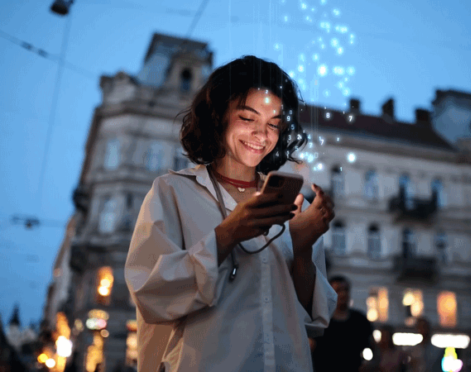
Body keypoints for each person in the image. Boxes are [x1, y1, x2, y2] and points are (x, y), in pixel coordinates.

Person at [124, 55, 337, 372]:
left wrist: (303, 247)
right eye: (248, 118)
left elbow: (310, 320)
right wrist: (227, 235)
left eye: (274, 124)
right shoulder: (172, 192)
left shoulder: (293, 208)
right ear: (218, 116)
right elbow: (151, 294)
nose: (262, 135)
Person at [310, 275, 375, 372]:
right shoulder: (319, 320)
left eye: (346, 290)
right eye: (338, 290)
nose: (343, 294)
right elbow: (309, 348)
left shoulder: (360, 320)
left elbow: (373, 347)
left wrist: (369, 363)